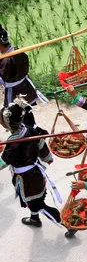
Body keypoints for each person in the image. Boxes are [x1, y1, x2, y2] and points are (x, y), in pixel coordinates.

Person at [0, 98, 74, 236]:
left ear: (6, 124)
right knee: (34, 201)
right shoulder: (28, 130)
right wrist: (48, 158)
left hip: (28, 180)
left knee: (38, 205)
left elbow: (3, 162)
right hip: (36, 173)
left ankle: (66, 223)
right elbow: (41, 145)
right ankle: (34, 219)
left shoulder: (13, 144)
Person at [0, 24, 48, 128]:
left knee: (16, 116)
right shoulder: (17, 50)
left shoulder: (6, 60)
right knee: (26, 111)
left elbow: (2, 79)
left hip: (15, 92)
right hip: (26, 87)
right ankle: (32, 129)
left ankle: (28, 134)